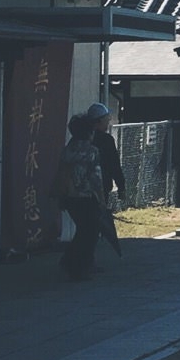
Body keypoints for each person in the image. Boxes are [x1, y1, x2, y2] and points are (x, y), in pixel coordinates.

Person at [56, 113, 106, 280]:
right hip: (86, 196)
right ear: (90, 132)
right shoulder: (91, 151)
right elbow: (96, 179)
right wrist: (102, 200)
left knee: (83, 230)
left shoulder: (68, 150)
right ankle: (78, 265)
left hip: (69, 196)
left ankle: (70, 261)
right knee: (90, 231)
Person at [83, 102, 125, 257]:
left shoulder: (81, 137)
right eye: (106, 120)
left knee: (86, 225)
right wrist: (121, 185)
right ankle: (84, 259)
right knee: (94, 223)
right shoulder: (106, 140)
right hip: (100, 185)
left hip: (80, 188)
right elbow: (114, 164)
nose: (108, 123)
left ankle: (83, 257)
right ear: (98, 121)